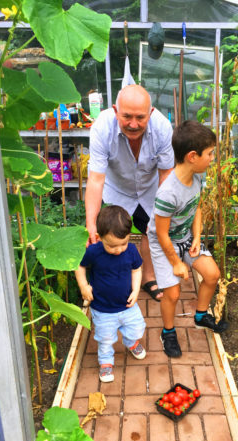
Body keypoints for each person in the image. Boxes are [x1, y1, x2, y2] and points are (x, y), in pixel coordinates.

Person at [147, 120, 228, 358]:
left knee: (212, 275)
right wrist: (176, 263)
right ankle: (168, 332)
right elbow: (161, 233)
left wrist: (197, 237)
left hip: (185, 237)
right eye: (210, 153)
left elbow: (197, 207)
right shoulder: (168, 193)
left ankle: (201, 317)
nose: (213, 158)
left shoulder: (197, 178)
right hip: (164, 245)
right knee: (172, 294)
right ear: (193, 156)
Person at [86, 84, 174, 302]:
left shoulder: (162, 127)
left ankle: (149, 277)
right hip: (117, 191)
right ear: (116, 111)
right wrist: (91, 223)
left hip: (150, 189)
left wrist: (164, 214)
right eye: (126, 116)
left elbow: (166, 175)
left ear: (150, 113)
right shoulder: (101, 129)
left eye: (140, 117)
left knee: (151, 231)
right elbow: (96, 179)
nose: (133, 124)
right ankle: (118, 280)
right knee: (112, 236)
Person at [74, 205, 146, 382]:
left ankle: (130, 342)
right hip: (103, 309)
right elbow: (79, 265)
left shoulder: (130, 251)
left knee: (137, 328)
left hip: (127, 305)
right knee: (105, 339)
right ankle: (106, 363)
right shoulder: (94, 252)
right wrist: (84, 286)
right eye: (112, 245)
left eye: (123, 243)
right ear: (99, 238)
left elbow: (136, 269)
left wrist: (136, 290)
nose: (119, 249)